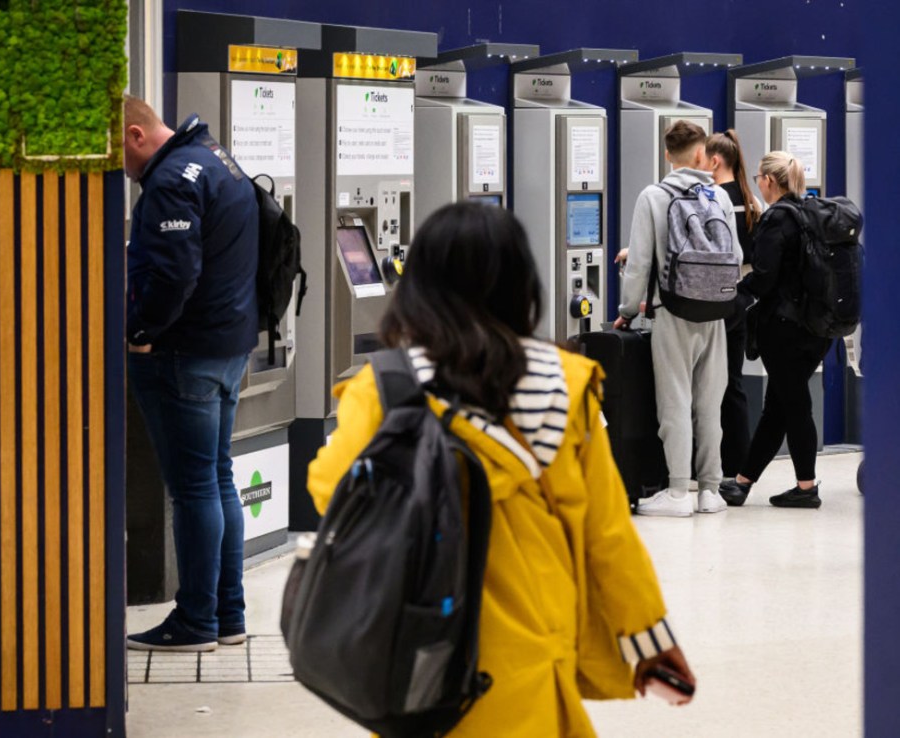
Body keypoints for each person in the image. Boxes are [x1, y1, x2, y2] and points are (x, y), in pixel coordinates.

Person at [308, 203, 695, 736]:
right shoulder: (565, 383)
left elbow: (330, 487)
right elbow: (607, 536)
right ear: (520, 285)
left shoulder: (385, 387)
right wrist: (652, 640)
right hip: (532, 648)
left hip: (421, 652)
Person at [123, 96, 259, 651]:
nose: (124, 174)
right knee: (218, 478)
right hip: (228, 343)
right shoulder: (214, 155)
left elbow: (175, 272)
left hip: (187, 353)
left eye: (120, 159)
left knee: (194, 487)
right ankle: (228, 613)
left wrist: (140, 329)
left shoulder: (173, 179)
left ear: (135, 135)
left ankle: (196, 620)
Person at [614, 120, 742, 517]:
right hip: (716, 313)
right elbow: (735, 256)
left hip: (671, 312)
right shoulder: (718, 197)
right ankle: (709, 490)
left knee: (675, 403)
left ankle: (676, 493)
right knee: (709, 403)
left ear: (667, 155)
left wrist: (626, 311)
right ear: (703, 155)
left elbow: (639, 264)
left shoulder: (653, 196)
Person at [719, 152, 830, 509]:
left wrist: (734, 292)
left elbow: (765, 278)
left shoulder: (777, 219)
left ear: (769, 180)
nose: (756, 183)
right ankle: (742, 482)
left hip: (785, 329)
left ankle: (806, 487)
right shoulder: (810, 214)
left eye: (758, 178)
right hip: (817, 328)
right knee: (778, 406)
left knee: (793, 404)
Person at [704, 130, 763, 488]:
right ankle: (736, 464)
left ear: (714, 161)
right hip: (743, 301)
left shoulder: (713, 200)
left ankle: (706, 464)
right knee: (733, 383)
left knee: (708, 385)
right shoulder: (751, 199)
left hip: (715, 299)